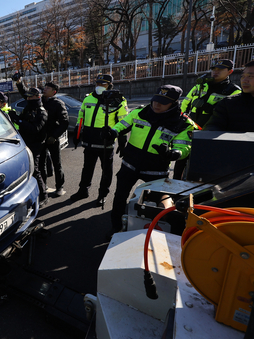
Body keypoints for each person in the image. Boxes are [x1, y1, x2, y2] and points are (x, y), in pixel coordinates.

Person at [104, 85, 194, 236]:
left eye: (162, 102)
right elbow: (123, 124)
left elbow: (184, 147)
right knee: (119, 197)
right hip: (129, 165)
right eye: (155, 100)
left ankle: (155, 233)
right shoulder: (140, 112)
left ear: (174, 103)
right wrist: (112, 131)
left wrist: (173, 154)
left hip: (156, 171)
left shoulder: (183, 124)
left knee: (159, 205)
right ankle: (116, 226)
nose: (156, 105)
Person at [174, 59, 241, 178]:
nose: (215, 72)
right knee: (180, 160)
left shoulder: (233, 90)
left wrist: (210, 108)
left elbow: (232, 114)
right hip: (190, 128)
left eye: (220, 70)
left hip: (211, 132)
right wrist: (181, 119)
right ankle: (175, 185)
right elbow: (185, 103)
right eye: (214, 69)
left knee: (200, 164)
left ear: (230, 72)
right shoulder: (201, 85)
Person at [69, 74, 128, 207]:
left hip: (106, 143)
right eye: (98, 84)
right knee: (87, 169)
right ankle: (83, 190)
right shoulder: (88, 98)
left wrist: (122, 141)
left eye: (103, 84)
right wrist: (78, 134)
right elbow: (81, 117)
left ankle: (102, 195)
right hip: (89, 141)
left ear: (110, 86)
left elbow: (123, 123)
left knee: (106, 171)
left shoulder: (118, 101)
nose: (99, 87)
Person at [15, 75, 69, 197]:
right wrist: (19, 83)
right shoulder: (40, 100)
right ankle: (43, 185)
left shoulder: (58, 104)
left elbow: (64, 122)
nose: (45, 89)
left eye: (48, 88)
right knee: (41, 165)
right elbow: (26, 94)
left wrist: (54, 136)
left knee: (57, 163)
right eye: (45, 87)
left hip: (52, 138)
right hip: (40, 138)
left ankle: (59, 186)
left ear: (54, 92)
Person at [9, 87, 49, 207]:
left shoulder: (42, 112)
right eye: (27, 96)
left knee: (35, 170)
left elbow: (35, 128)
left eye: (31, 96)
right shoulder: (28, 108)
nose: (28, 98)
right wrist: (15, 116)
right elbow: (23, 121)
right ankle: (29, 194)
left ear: (38, 97)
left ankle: (44, 196)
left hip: (36, 144)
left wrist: (19, 121)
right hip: (25, 143)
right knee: (25, 170)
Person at [204, 60, 254, 132]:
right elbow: (213, 125)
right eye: (242, 76)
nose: (244, 80)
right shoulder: (228, 104)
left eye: (250, 76)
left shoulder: (233, 89)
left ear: (230, 72)